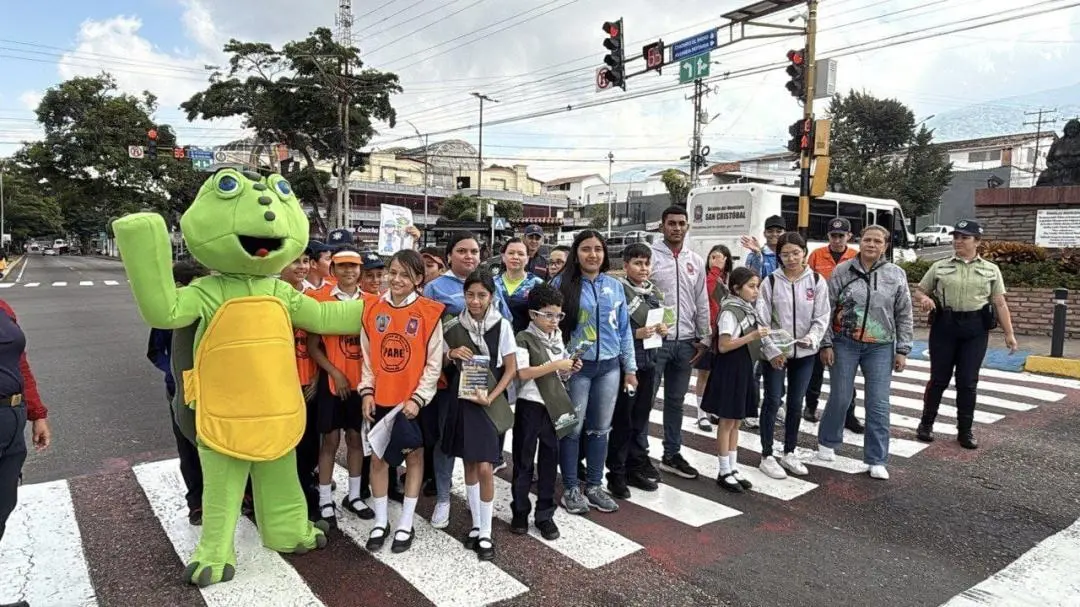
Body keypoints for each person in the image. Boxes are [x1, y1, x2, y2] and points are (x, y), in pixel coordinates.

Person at [359, 249, 445, 553]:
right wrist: (366, 392)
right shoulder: (371, 309)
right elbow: (367, 357)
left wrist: (418, 399)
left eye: (405, 275)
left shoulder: (429, 313)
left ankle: (406, 522)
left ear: (418, 279)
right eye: (392, 272)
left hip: (412, 403)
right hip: (381, 398)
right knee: (378, 459)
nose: (396, 279)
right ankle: (381, 521)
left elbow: (434, 363)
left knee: (414, 459)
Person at [423, 232, 510, 529]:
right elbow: (427, 334)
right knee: (446, 439)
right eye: (462, 251)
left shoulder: (490, 284)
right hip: (448, 378)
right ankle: (444, 498)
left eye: (474, 251)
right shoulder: (435, 288)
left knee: (479, 445)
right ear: (449, 255)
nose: (469, 256)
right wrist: (448, 355)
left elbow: (504, 323)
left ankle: (477, 505)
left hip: (485, 379)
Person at [817, 225, 913, 480]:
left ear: (885, 246)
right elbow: (827, 307)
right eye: (867, 240)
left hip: (881, 345)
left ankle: (876, 458)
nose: (871, 245)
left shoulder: (896, 274)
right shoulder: (842, 270)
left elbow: (904, 312)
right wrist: (826, 343)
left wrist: (903, 349)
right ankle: (828, 440)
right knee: (841, 396)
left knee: (878, 403)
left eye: (877, 241)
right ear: (859, 242)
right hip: (844, 342)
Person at [553, 230, 637, 514]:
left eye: (598, 249)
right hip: (576, 369)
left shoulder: (615, 286)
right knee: (572, 429)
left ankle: (594, 486)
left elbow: (624, 330)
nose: (593, 254)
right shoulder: (561, 284)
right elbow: (550, 330)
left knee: (600, 429)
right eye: (586, 249)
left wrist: (630, 368)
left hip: (609, 368)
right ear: (576, 253)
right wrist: (562, 362)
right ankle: (571, 488)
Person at [914, 219, 1018, 449]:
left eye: (964, 237)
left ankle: (965, 431)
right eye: (956, 237)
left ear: (977, 241)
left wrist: (1009, 334)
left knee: (968, 382)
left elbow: (1000, 303)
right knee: (939, 379)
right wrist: (925, 299)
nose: (958, 241)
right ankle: (926, 424)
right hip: (945, 326)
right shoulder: (939, 266)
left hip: (975, 329)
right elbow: (920, 290)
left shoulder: (991, 269)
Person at [442, 269, 517, 560]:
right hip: (462, 400)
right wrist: (451, 354)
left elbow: (510, 368)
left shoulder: (502, 325)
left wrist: (492, 397)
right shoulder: (453, 325)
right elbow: (437, 360)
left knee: (486, 466)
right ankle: (476, 523)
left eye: (481, 295)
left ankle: (485, 532)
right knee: (470, 464)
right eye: (470, 295)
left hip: (488, 402)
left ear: (491, 297)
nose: (475, 301)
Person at [307, 248, 373, 526]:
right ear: (333, 269)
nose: (349, 271)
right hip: (332, 384)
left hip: (362, 385)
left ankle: (355, 496)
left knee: (356, 439)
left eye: (354, 266)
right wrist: (335, 373)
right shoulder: (319, 299)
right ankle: (325, 499)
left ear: (360, 270)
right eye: (342, 266)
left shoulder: (371, 302)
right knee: (330, 442)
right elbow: (312, 346)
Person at [756, 232, 830, 480]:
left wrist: (813, 337)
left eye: (795, 253)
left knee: (796, 403)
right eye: (785, 254)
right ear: (779, 256)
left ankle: (789, 451)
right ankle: (767, 455)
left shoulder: (816, 281)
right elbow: (761, 320)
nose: (791, 258)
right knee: (772, 400)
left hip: (805, 353)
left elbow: (822, 316)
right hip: (776, 354)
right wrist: (772, 350)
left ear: (804, 252)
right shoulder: (770, 282)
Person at [512, 283, 578, 540]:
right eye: (548, 315)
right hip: (530, 405)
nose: (554, 321)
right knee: (524, 460)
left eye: (558, 315)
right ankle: (520, 511)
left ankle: (545, 514)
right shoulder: (524, 338)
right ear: (533, 314)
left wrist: (569, 368)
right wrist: (556, 364)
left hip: (554, 405)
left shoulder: (557, 335)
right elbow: (523, 373)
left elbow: (560, 373)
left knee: (550, 460)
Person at [649, 206, 710, 481]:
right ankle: (637, 456)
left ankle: (672, 454)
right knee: (646, 401)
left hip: (686, 341)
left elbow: (701, 300)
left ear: (687, 227)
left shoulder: (695, 260)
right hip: (655, 340)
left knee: (676, 401)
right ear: (662, 226)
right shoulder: (650, 256)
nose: (676, 228)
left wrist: (704, 336)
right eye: (671, 223)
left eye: (681, 223)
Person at [146, 261, 210, 525]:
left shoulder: (213, 309)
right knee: (188, 445)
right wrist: (174, 372)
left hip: (215, 387)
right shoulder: (170, 317)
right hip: (181, 389)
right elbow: (155, 352)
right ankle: (197, 502)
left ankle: (243, 494)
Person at [0, 299, 51, 607]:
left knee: (3, 506)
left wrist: (37, 413)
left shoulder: (3, 308)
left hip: (11, 419)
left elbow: (20, 363)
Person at [606, 243, 666, 498]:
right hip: (627, 367)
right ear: (626, 265)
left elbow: (661, 323)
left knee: (640, 420)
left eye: (646, 263)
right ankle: (616, 474)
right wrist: (636, 333)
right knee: (623, 421)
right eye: (638, 263)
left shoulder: (653, 293)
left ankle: (635, 467)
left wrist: (663, 329)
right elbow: (611, 329)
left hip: (650, 363)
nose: (643, 268)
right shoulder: (618, 292)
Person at [702, 267, 766, 492]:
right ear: (737, 288)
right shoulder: (730, 310)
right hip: (730, 368)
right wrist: (752, 336)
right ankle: (723, 470)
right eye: (751, 286)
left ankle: (733, 467)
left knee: (737, 421)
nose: (756, 291)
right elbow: (724, 345)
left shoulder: (747, 308)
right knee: (727, 421)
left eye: (757, 286)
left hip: (744, 366)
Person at [804, 217, 863, 432]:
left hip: (846, 320)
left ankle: (849, 414)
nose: (837, 240)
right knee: (816, 368)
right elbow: (807, 281)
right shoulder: (817, 255)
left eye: (841, 235)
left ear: (849, 236)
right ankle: (811, 406)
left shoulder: (856, 256)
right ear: (828, 236)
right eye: (833, 235)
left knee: (846, 371)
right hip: (820, 316)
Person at [693, 244, 733, 432]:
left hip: (725, 332)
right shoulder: (706, 277)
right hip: (707, 332)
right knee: (704, 373)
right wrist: (715, 270)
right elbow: (709, 291)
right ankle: (701, 414)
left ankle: (713, 408)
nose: (716, 261)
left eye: (720, 258)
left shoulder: (730, 279)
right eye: (712, 257)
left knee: (720, 374)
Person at [495, 238, 545, 333]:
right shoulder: (492, 283)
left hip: (526, 339)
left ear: (527, 259)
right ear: (503, 257)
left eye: (521, 254)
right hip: (496, 338)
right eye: (511, 253)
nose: (515, 257)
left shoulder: (538, 284)